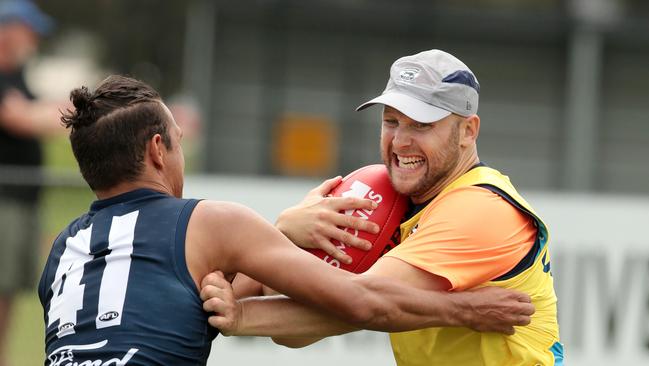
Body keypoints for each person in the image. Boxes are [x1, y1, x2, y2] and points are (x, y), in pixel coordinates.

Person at [38, 75, 534, 365]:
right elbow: (361, 303)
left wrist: (280, 235)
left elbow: (182, 301)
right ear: (157, 151)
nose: (401, 139)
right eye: (179, 143)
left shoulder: (62, 252)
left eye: (420, 125)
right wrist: (466, 310)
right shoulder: (210, 224)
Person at [202, 49, 563, 365]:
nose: (401, 141)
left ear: (468, 131)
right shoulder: (395, 200)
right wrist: (284, 233)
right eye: (391, 121)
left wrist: (242, 317)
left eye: (422, 124)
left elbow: (365, 303)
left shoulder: (480, 209)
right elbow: (300, 330)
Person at [0, 1, 61, 364]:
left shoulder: (17, 78)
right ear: (7, 30)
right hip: (3, 204)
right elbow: (20, 119)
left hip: (20, 204)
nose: (34, 39)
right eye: (29, 30)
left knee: (9, 294)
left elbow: (41, 111)